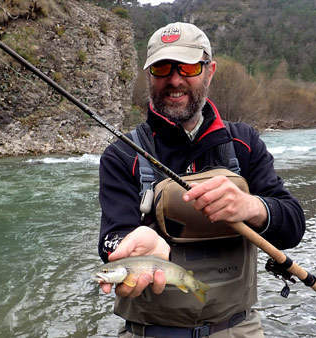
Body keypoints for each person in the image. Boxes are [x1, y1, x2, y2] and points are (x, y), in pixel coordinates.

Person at [98, 22, 305, 337]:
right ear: (149, 76)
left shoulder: (244, 143)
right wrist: (131, 248)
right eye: (162, 68)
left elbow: (293, 226)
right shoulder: (122, 155)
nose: (175, 80)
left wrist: (251, 207)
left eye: (189, 67)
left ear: (210, 71)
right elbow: (110, 240)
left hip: (237, 328)